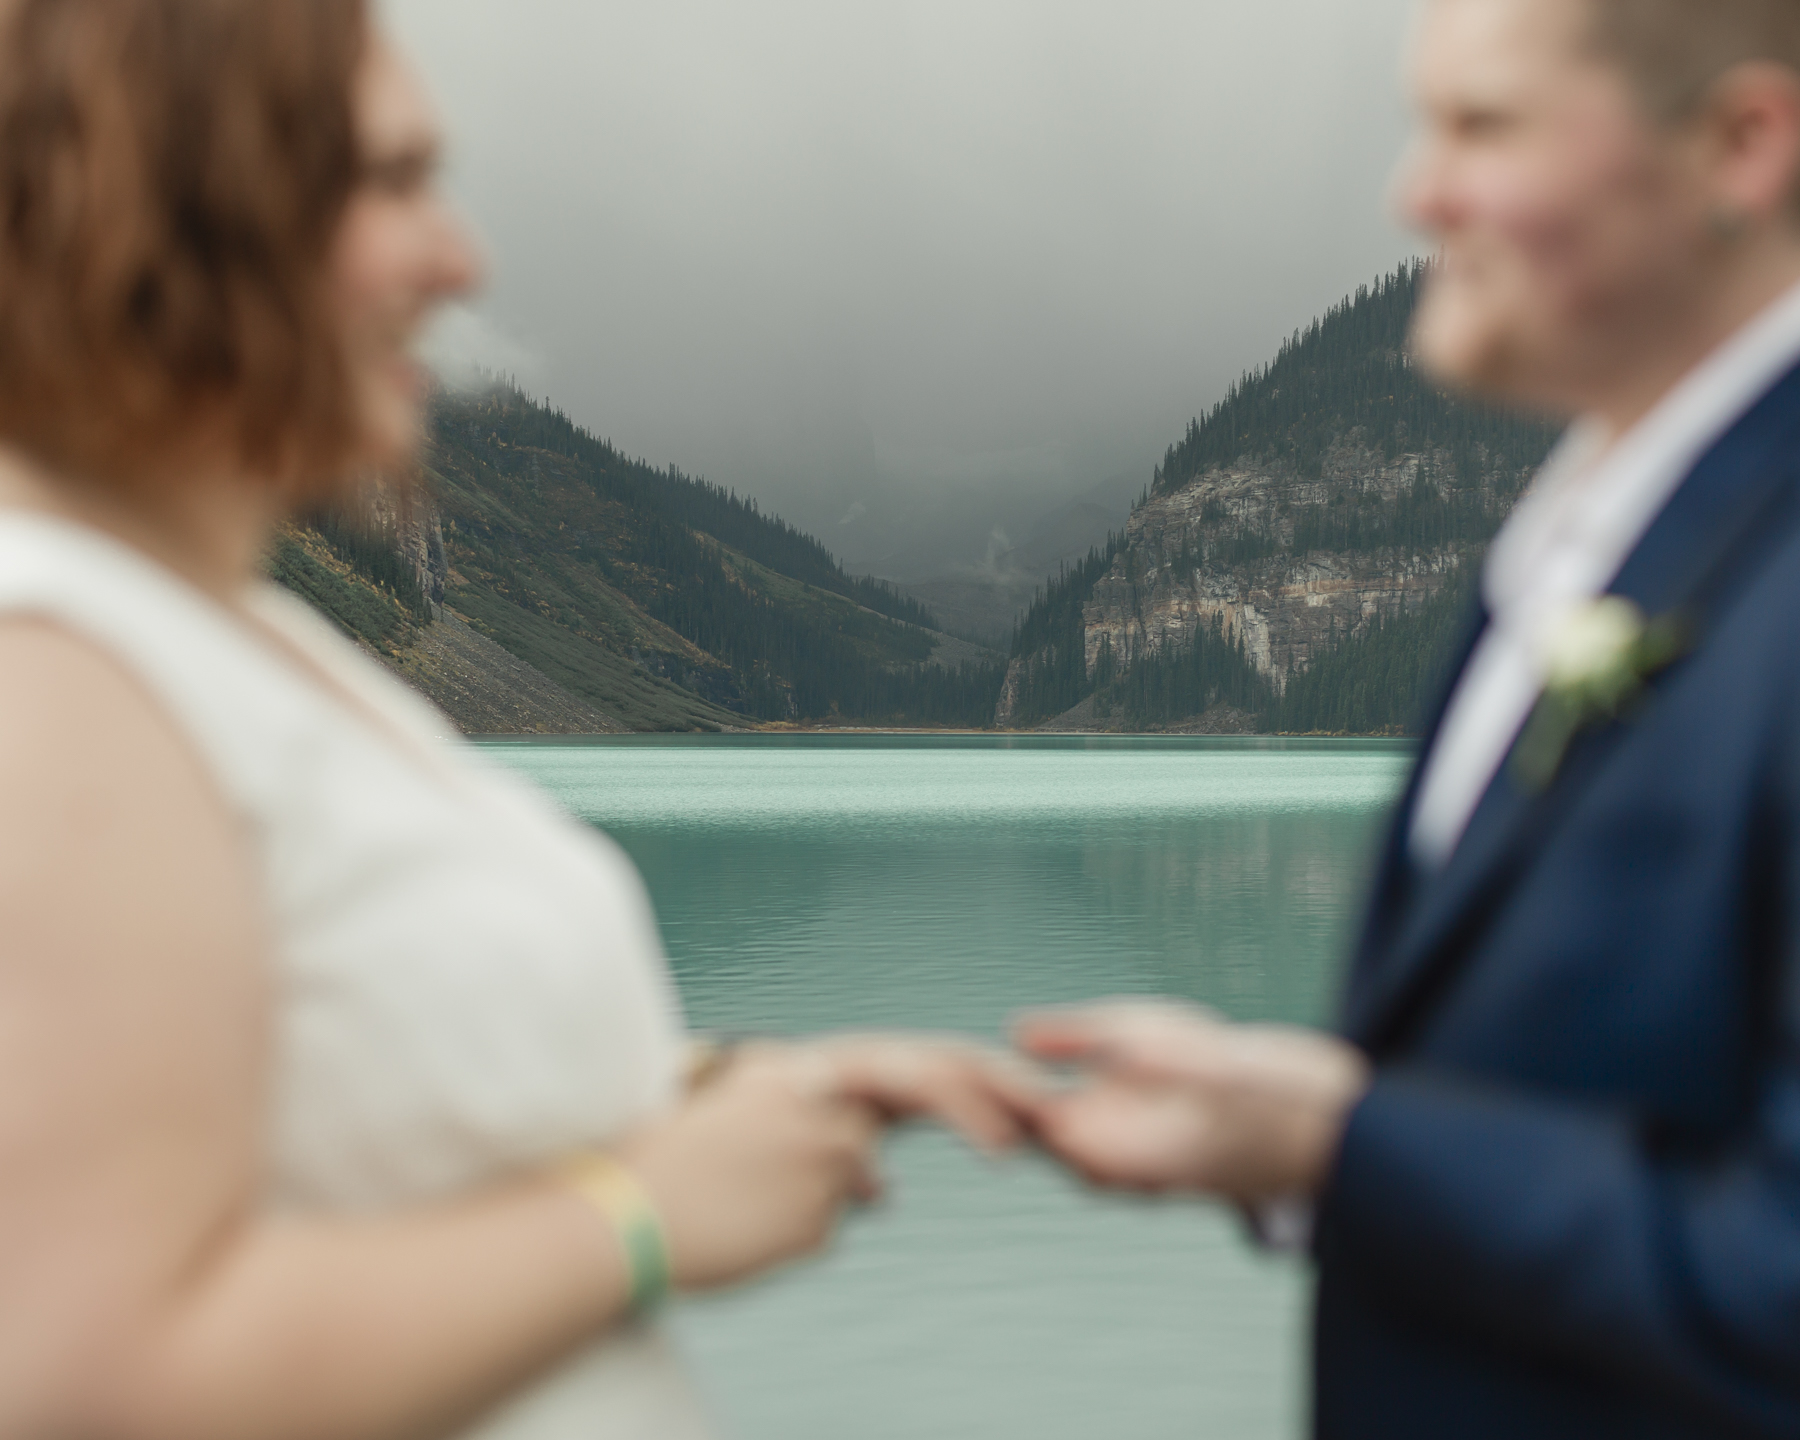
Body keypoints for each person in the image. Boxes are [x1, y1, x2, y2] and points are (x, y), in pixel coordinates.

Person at [0, 3, 1040, 1438]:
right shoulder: (53, 664)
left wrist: (731, 1094)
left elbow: (324, 1073)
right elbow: (86, 1382)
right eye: (392, 182)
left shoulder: (210, 629)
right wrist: (646, 1217)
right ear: (167, 204)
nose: (463, 259)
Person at [1017, 0, 1800, 1435]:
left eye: (1481, 126)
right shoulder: (1586, 537)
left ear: (1741, 146)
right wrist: (1290, 1125)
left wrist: (1338, 1144)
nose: (1412, 194)